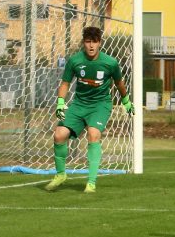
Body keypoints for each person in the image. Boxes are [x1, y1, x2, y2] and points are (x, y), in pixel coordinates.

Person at [45, 26, 134, 193]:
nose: (91, 46)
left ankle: (91, 183)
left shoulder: (110, 63)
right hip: (79, 104)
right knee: (59, 134)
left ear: (99, 43)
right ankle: (60, 175)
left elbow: (119, 83)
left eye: (94, 42)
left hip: (100, 105)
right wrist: (60, 103)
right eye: (88, 42)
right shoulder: (75, 61)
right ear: (83, 43)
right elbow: (65, 83)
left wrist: (126, 101)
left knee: (93, 134)